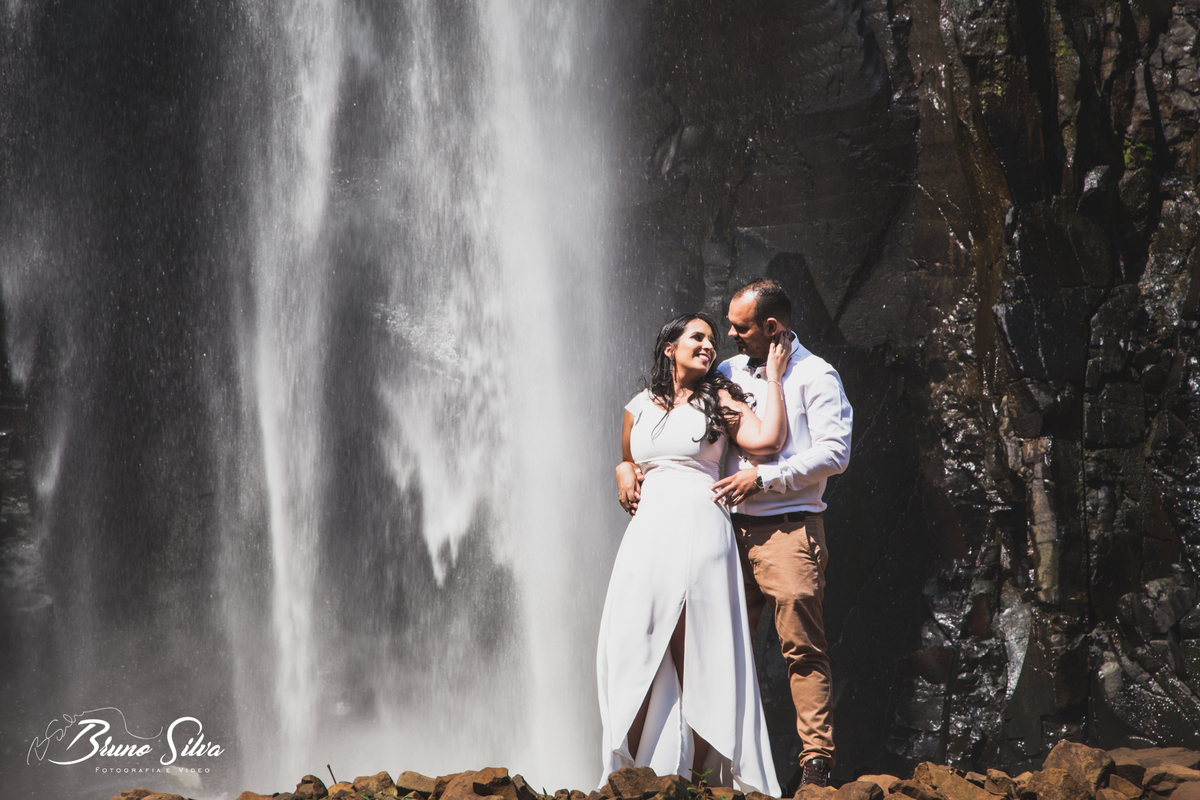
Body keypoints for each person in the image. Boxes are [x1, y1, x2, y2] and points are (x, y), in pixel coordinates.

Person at [597, 312, 788, 795]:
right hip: (648, 533)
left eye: (712, 340)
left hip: (701, 529)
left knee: (700, 651)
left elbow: (767, 442)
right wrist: (622, 469)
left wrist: (776, 379)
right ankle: (629, 777)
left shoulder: (719, 398)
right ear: (670, 347)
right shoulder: (638, 405)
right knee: (635, 643)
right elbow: (630, 458)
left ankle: (700, 782)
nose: (708, 345)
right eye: (697, 337)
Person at [710, 278, 853, 791]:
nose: (729, 335)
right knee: (717, 646)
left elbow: (835, 452)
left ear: (772, 327)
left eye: (740, 327)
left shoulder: (817, 375)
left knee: (802, 648)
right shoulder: (727, 372)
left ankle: (816, 764)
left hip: (788, 533)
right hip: (725, 533)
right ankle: (713, 762)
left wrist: (765, 478)